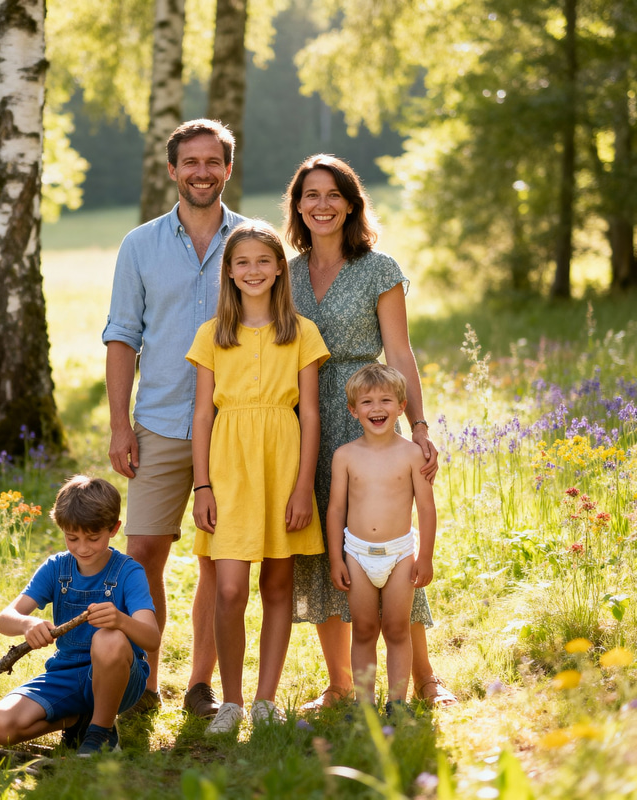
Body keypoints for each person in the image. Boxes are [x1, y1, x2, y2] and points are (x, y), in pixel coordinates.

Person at [284, 154, 457, 709]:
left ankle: (427, 678)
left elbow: (400, 351)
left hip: (370, 414)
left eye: (333, 194)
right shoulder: (286, 273)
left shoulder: (379, 269)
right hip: (305, 422)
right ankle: (342, 685)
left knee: (391, 546)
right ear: (298, 206)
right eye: (311, 195)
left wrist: (420, 425)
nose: (322, 205)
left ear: (352, 203)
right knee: (325, 551)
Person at [102, 119, 246, 719]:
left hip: (235, 427)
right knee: (143, 555)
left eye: (213, 161)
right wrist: (119, 424)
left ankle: (200, 684)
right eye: (191, 162)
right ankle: (145, 680)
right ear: (172, 170)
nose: (202, 172)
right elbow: (121, 338)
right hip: (158, 421)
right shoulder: (139, 245)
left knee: (217, 558)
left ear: (228, 169)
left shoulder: (252, 243)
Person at [186, 220, 329, 734]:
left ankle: (266, 700)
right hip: (227, 468)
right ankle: (231, 701)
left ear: (279, 269)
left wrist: (302, 487)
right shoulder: (212, 335)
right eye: (242, 262)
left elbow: (309, 414)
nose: (253, 271)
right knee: (228, 589)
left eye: (264, 261)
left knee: (277, 584)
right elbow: (202, 416)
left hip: (283, 463)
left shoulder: (301, 332)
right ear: (228, 271)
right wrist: (202, 485)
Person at [0, 475, 160, 756]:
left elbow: (151, 638)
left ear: (114, 529)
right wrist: (27, 623)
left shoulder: (129, 572)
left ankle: (102, 733)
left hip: (122, 679)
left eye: (93, 538)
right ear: (62, 529)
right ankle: (80, 722)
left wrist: (121, 621)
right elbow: (5, 618)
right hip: (66, 674)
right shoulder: (57, 568)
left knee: (109, 638)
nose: (82, 548)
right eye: (72, 538)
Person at [327, 364, 436, 713]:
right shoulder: (345, 456)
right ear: (353, 410)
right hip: (357, 554)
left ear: (402, 406)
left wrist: (426, 556)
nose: (377, 408)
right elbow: (335, 510)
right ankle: (363, 705)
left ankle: (397, 703)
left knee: (396, 628)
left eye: (386, 400)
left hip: (400, 553)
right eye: (368, 401)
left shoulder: (411, 454)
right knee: (363, 629)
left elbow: (427, 510)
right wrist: (335, 558)